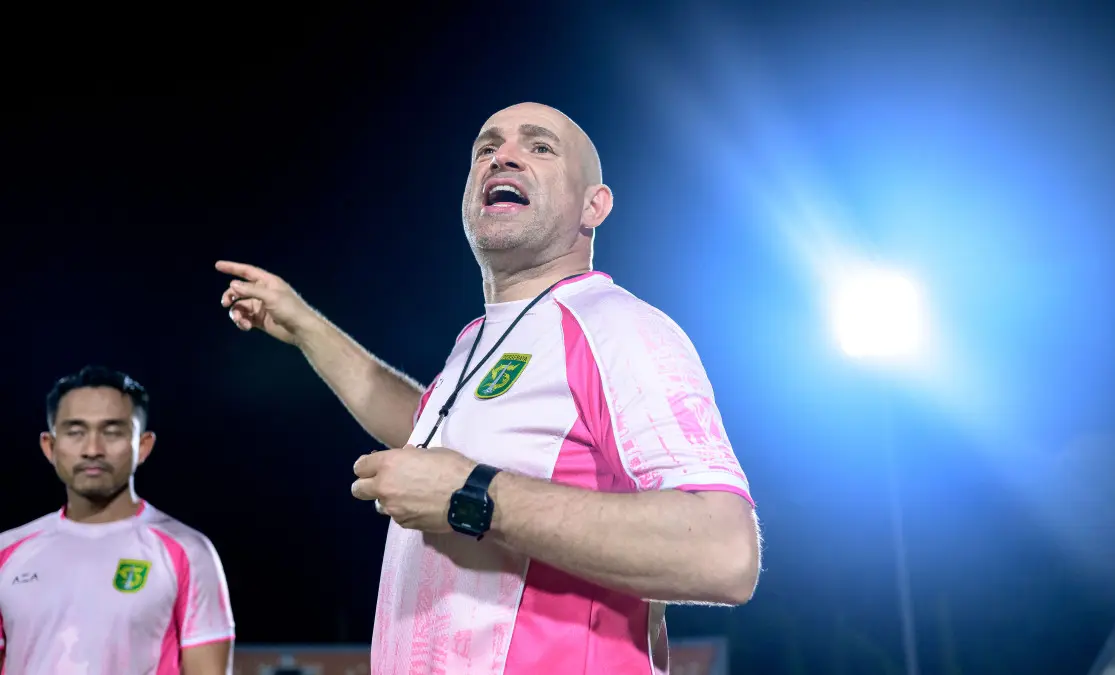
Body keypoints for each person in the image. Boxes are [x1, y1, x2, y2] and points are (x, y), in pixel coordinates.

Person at [216, 102, 759, 674]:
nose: (504, 157)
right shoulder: (477, 339)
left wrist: (472, 495)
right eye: (486, 148)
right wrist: (305, 326)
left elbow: (724, 553)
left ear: (593, 206)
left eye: (539, 147)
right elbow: (422, 433)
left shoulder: (617, 326)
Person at [0, 366, 235, 675]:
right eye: (75, 432)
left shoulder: (188, 552)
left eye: (112, 432)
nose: (93, 450)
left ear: (143, 446)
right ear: (50, 446)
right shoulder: (7, 552)